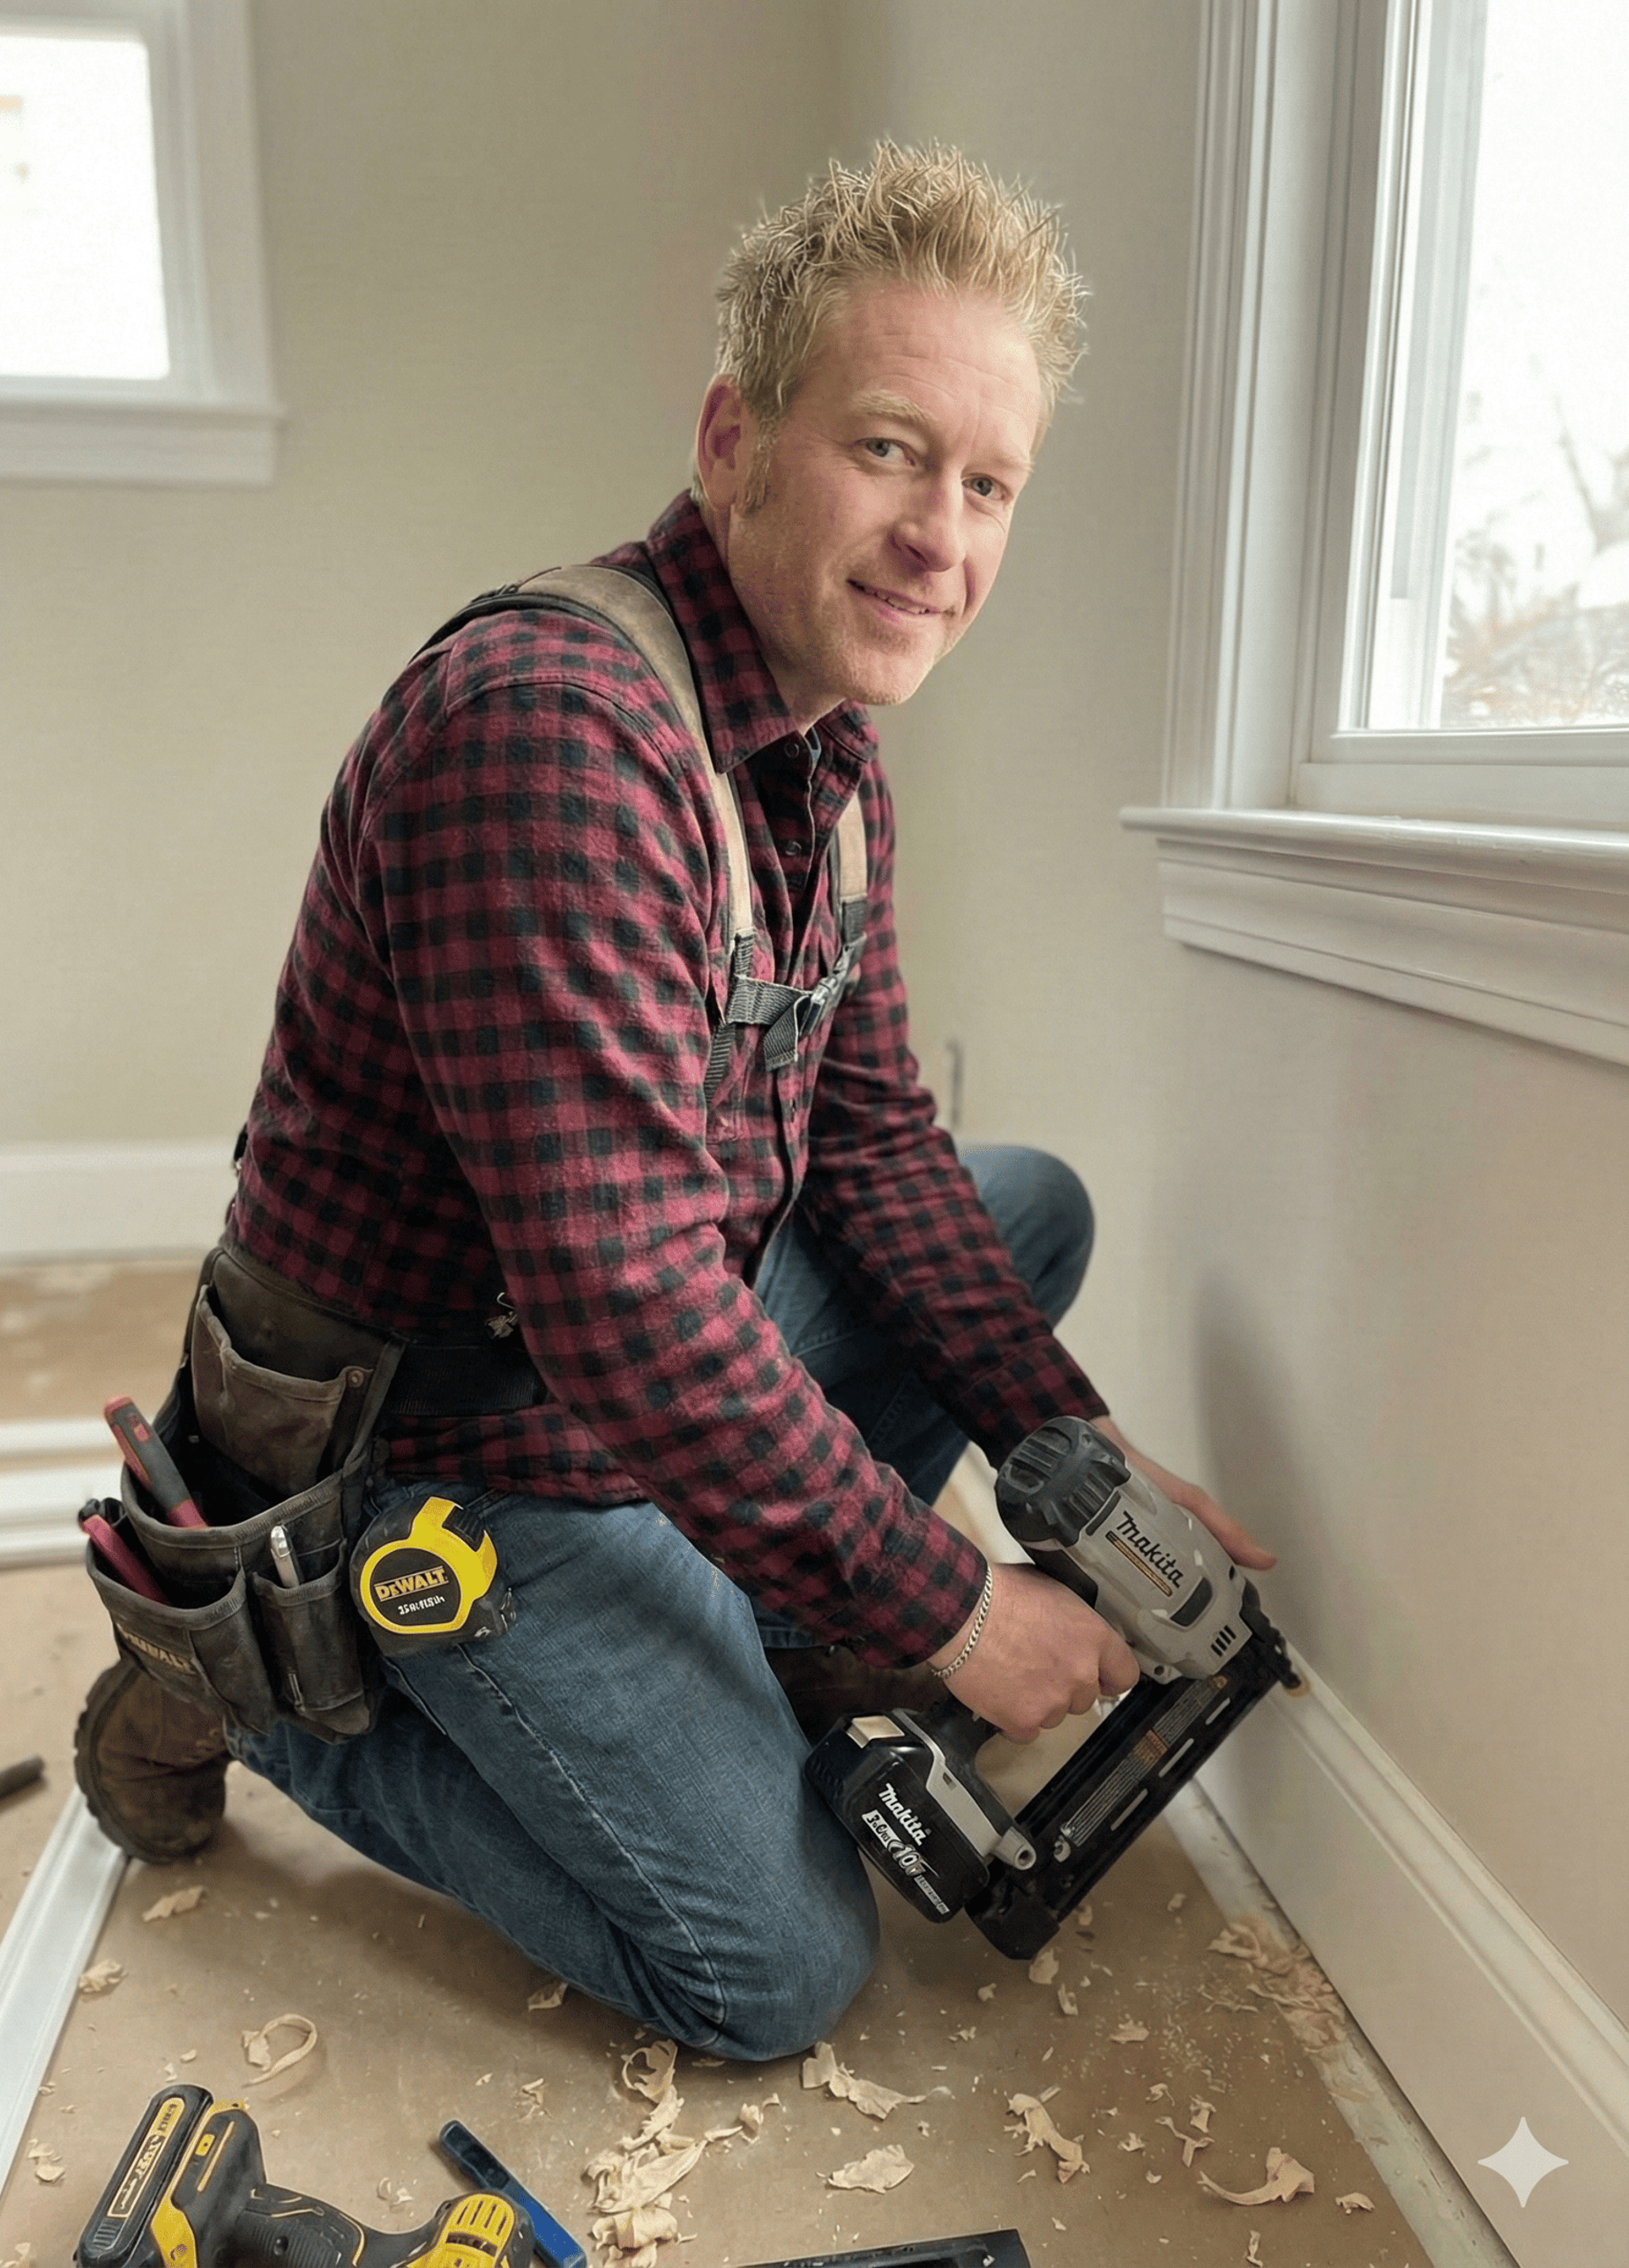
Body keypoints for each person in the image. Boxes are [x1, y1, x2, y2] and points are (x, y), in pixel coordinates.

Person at [76, 142, 1273, 2059]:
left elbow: (872, 1141)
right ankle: (246, 1669)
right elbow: (625, 1308)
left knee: (1014, 1197)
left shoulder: (826, 755)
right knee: (774, 1970)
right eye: (890, 451)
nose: (940, 538)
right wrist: (958, 1606)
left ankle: (753, 1606)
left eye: (988, 486)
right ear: (734, 436)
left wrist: (1086, 1469)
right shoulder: (550, 734)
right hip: (439, 1442)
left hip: (604, 1366)